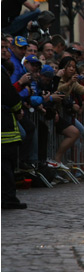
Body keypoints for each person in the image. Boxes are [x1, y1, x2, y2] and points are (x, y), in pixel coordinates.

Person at [1, 61, 26, 209]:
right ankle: (9, 199)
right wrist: (18, 110)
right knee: (6, 165)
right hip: (4, 128)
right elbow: (10, 96)